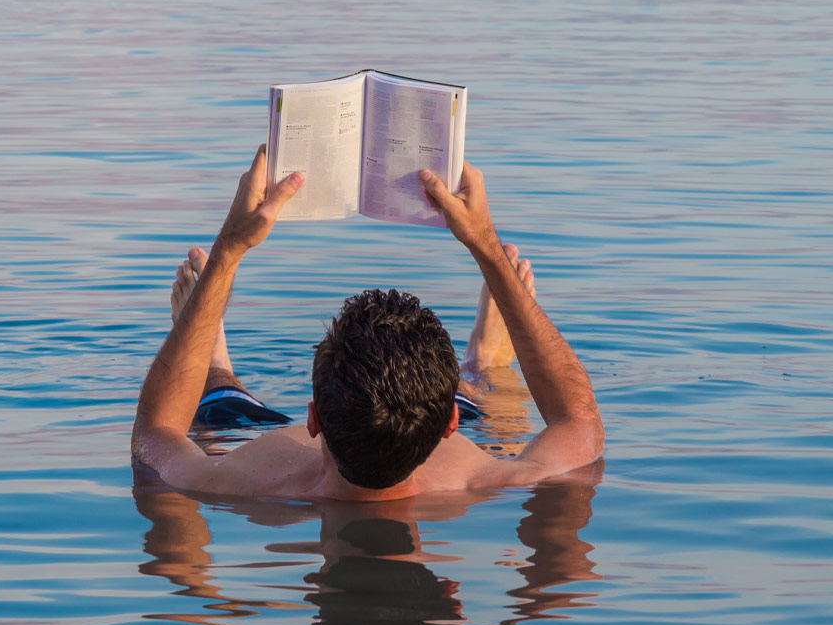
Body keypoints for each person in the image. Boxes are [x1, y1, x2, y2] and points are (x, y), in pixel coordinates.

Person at [132, 145, 604, 500]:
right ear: (450, 427)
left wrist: (229, 251)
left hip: (276, 465)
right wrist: (485, 245)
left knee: (215, 404)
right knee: (474, 399)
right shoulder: (487, 481)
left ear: (313, 419)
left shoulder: (243, 487)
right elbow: (577, 418)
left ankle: (213, 363)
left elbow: (155, 434)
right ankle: (478, 368)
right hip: (446, 450)